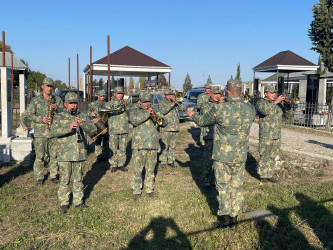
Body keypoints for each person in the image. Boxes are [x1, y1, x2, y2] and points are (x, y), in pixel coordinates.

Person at [187, 78, 255, 229]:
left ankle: (225, 220)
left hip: (222, 156)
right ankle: (234, 219)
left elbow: (202, 121)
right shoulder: (249, 109)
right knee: (236, 187)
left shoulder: (220, 109)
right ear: (242, 92)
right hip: (240, 155)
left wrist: (192, 114)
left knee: (223, 187)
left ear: (228, 92)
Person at [50, 92, 97, 213]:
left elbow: (93, 131)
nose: (73, 106)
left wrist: (83, 124)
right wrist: (68, 128)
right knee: (65, 180)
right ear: (65, 104)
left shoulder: (83, 116)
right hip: (65, 155)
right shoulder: (59, 117)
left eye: (75, 103)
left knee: (78, 180)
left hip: (79, 154)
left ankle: (78, 201)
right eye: (70, 103)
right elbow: (53, 132)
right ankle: (64, 203)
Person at [20, 77, 64, 186]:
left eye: (51, 86)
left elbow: (64, 113)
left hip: (53, 132)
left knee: (54, 156)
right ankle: (39, 177)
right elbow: (29, 114)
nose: (49, 88)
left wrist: (57, 108)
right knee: (40, 156)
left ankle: (53, 175)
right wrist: (41, 119)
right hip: (40, 133)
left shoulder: (57, 99)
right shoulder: (36, 100)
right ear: (42, 86)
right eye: (47, 86)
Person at [128, 91, 162, 200]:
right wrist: (147, 113)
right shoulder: (134, 110)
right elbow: (134, 121)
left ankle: (149, 188)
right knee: (137, 169)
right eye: (145, 102)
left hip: (152, 145)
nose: (147, 104)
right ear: (140, 102)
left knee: (151, 168)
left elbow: (163, 122)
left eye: (148, 101)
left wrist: (155, 115)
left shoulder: (154, 110)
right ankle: (137, 190)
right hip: (139, 145)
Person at [256, 85, 285, 183]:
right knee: (265, 155)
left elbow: (287, 113)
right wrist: (276, 102)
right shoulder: (261, 103)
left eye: (274, 93)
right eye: (271, 93)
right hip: (266, 134)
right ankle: (263, 176)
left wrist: (289, 104)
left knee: (273, 156)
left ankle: (269, 174)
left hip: (276, 134)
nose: (274, 95)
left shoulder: (278, 104)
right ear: (266, 93)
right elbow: (264, 111)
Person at [200, 86, 224, 188]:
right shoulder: (206, 105)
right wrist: (219, 105)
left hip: (221, 136)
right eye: (215, 94)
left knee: (219, 161)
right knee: (208, 160)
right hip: (209, 135)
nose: (218, 96)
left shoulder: (224, 105)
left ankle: (216, 180)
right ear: (210, 94)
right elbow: (207, 116)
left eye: (219, 94)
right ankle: (206, 181)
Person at [158, 88, 186, 168]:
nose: (171, 96)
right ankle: (163, 161)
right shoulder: (162, 102)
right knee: (165, 146)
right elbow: (162, 111)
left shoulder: (175, 103)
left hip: (175, 128)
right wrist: (171, 105)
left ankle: (171, 160)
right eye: (169, 95)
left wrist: (179, 102)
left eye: (171, 95)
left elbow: (183, 108)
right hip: (166, 128)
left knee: (173, 146)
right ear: (165, 95)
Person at [105, 86, 129, 172]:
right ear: (114, 94)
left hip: (124, 129)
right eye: (118, 93)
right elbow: (107, 111)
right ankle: (114, 164)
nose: (120, 95)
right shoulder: (109, 104)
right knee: (113, 148)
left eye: (121, 93)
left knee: (123, 148)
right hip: (114, 129)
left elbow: (130, 114)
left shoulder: (125, 103)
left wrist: (126, 106)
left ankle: (121, 164)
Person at [89, 89, 109, 160]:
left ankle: (105, 155)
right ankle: (98, 155)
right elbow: (88, 114)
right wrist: (91, 114)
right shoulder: (93, 104)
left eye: (104, 96)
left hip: (106, 124)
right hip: (98, 125)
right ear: (98, 96)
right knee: (98, 140)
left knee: (106, 140)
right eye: (101, 96)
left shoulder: (107, 104)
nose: (103, 97)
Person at [197, 83, 212, 148]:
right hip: (204, 115)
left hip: (212, 115)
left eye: (209, 88)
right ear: (204, 89)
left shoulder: (212, 95)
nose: (208, 90)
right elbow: (199, 106)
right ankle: (203, 143)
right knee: (203, 130)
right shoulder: (201, 96)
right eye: (207, 88)